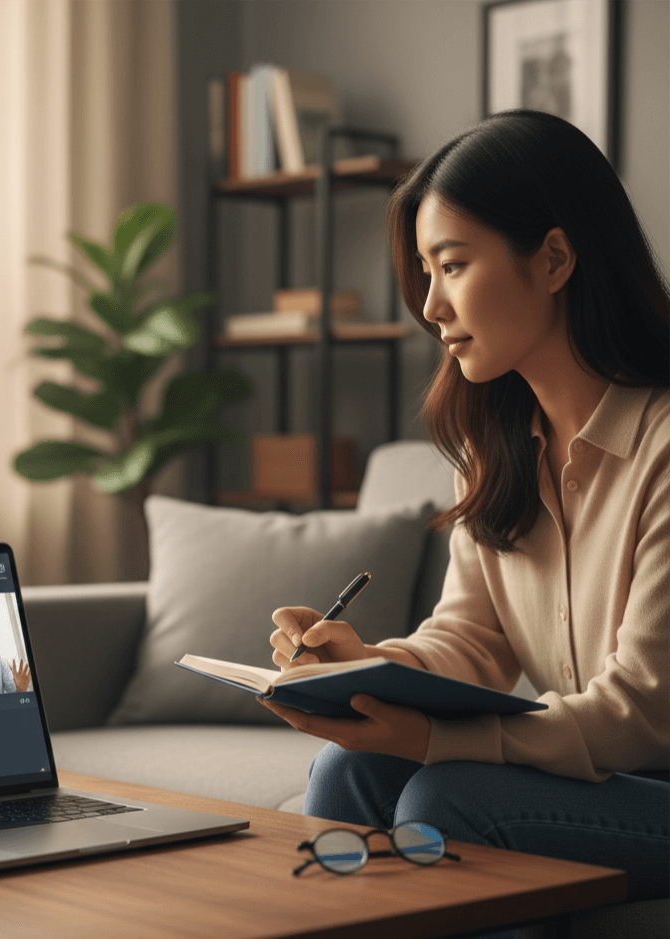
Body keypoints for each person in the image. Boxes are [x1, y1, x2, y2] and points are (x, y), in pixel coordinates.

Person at [264, 111, 669, 901]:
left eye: (451, 266)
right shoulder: (496, 447)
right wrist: (369, 665)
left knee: (449, 797)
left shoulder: (661, 447)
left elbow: (642, 712)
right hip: (602, 773)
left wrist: (433, 738)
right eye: (425, 272)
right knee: (349, 767)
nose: (430, 306)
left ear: (554, 259)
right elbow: (473, 639)